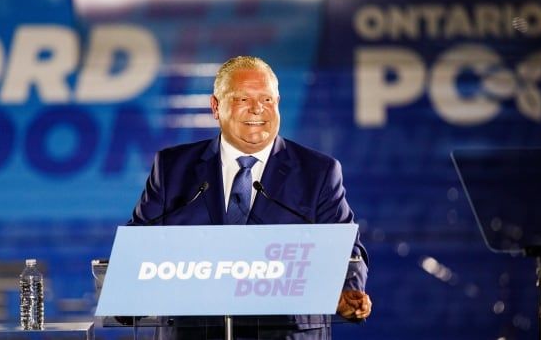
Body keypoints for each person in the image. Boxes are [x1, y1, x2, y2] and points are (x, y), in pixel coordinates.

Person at [128, 56, 371, 339]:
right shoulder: (172, 168)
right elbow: (139, 246)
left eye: (267, 100)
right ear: (215, 107)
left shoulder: (318, 172)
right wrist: (127, 294)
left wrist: (347, 290)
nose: (258, 109)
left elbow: (347, 249)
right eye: (243, 99)